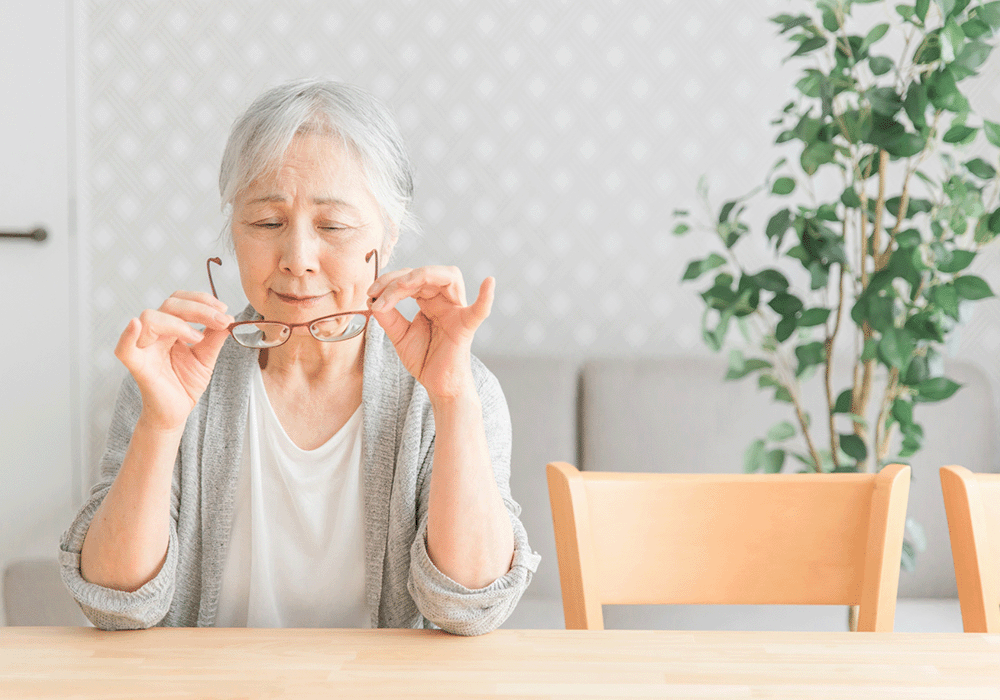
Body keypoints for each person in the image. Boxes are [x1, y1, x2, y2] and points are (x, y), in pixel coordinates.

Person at [59, 78, 540, 635]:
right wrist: (161, 424)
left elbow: (469, 609)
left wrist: (453, 397)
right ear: (233, 231)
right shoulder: (174, 378)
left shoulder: (457, 388)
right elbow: (116, 607)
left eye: (332, 225)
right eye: (267, 223)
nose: (297, 258)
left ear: (387, 238)